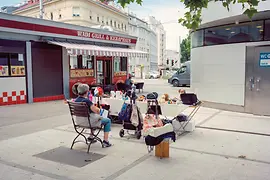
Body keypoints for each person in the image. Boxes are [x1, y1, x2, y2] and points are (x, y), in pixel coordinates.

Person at [75, 84, 112, 148]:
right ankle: (106, 141)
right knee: (107, 121)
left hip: (79, 121)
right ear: (87, 92)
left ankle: (91, 137)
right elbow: (97, 111)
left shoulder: (76, 100)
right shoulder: (86, 101)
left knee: (94, 118)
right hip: (88, 122)